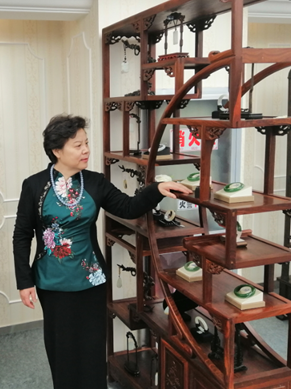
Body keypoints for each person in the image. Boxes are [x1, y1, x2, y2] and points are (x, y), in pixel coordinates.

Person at [12, 114, 192, 389]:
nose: (86, 150)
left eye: (86, 143)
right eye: (77, 145)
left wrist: (157, 190)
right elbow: (22, 235)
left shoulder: (95, 182)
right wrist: (24, 281)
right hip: (52, 282)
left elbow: (128, 207)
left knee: (92, 349)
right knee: (62, 350)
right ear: (57, 150)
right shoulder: (34, 185)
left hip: (92, 280)